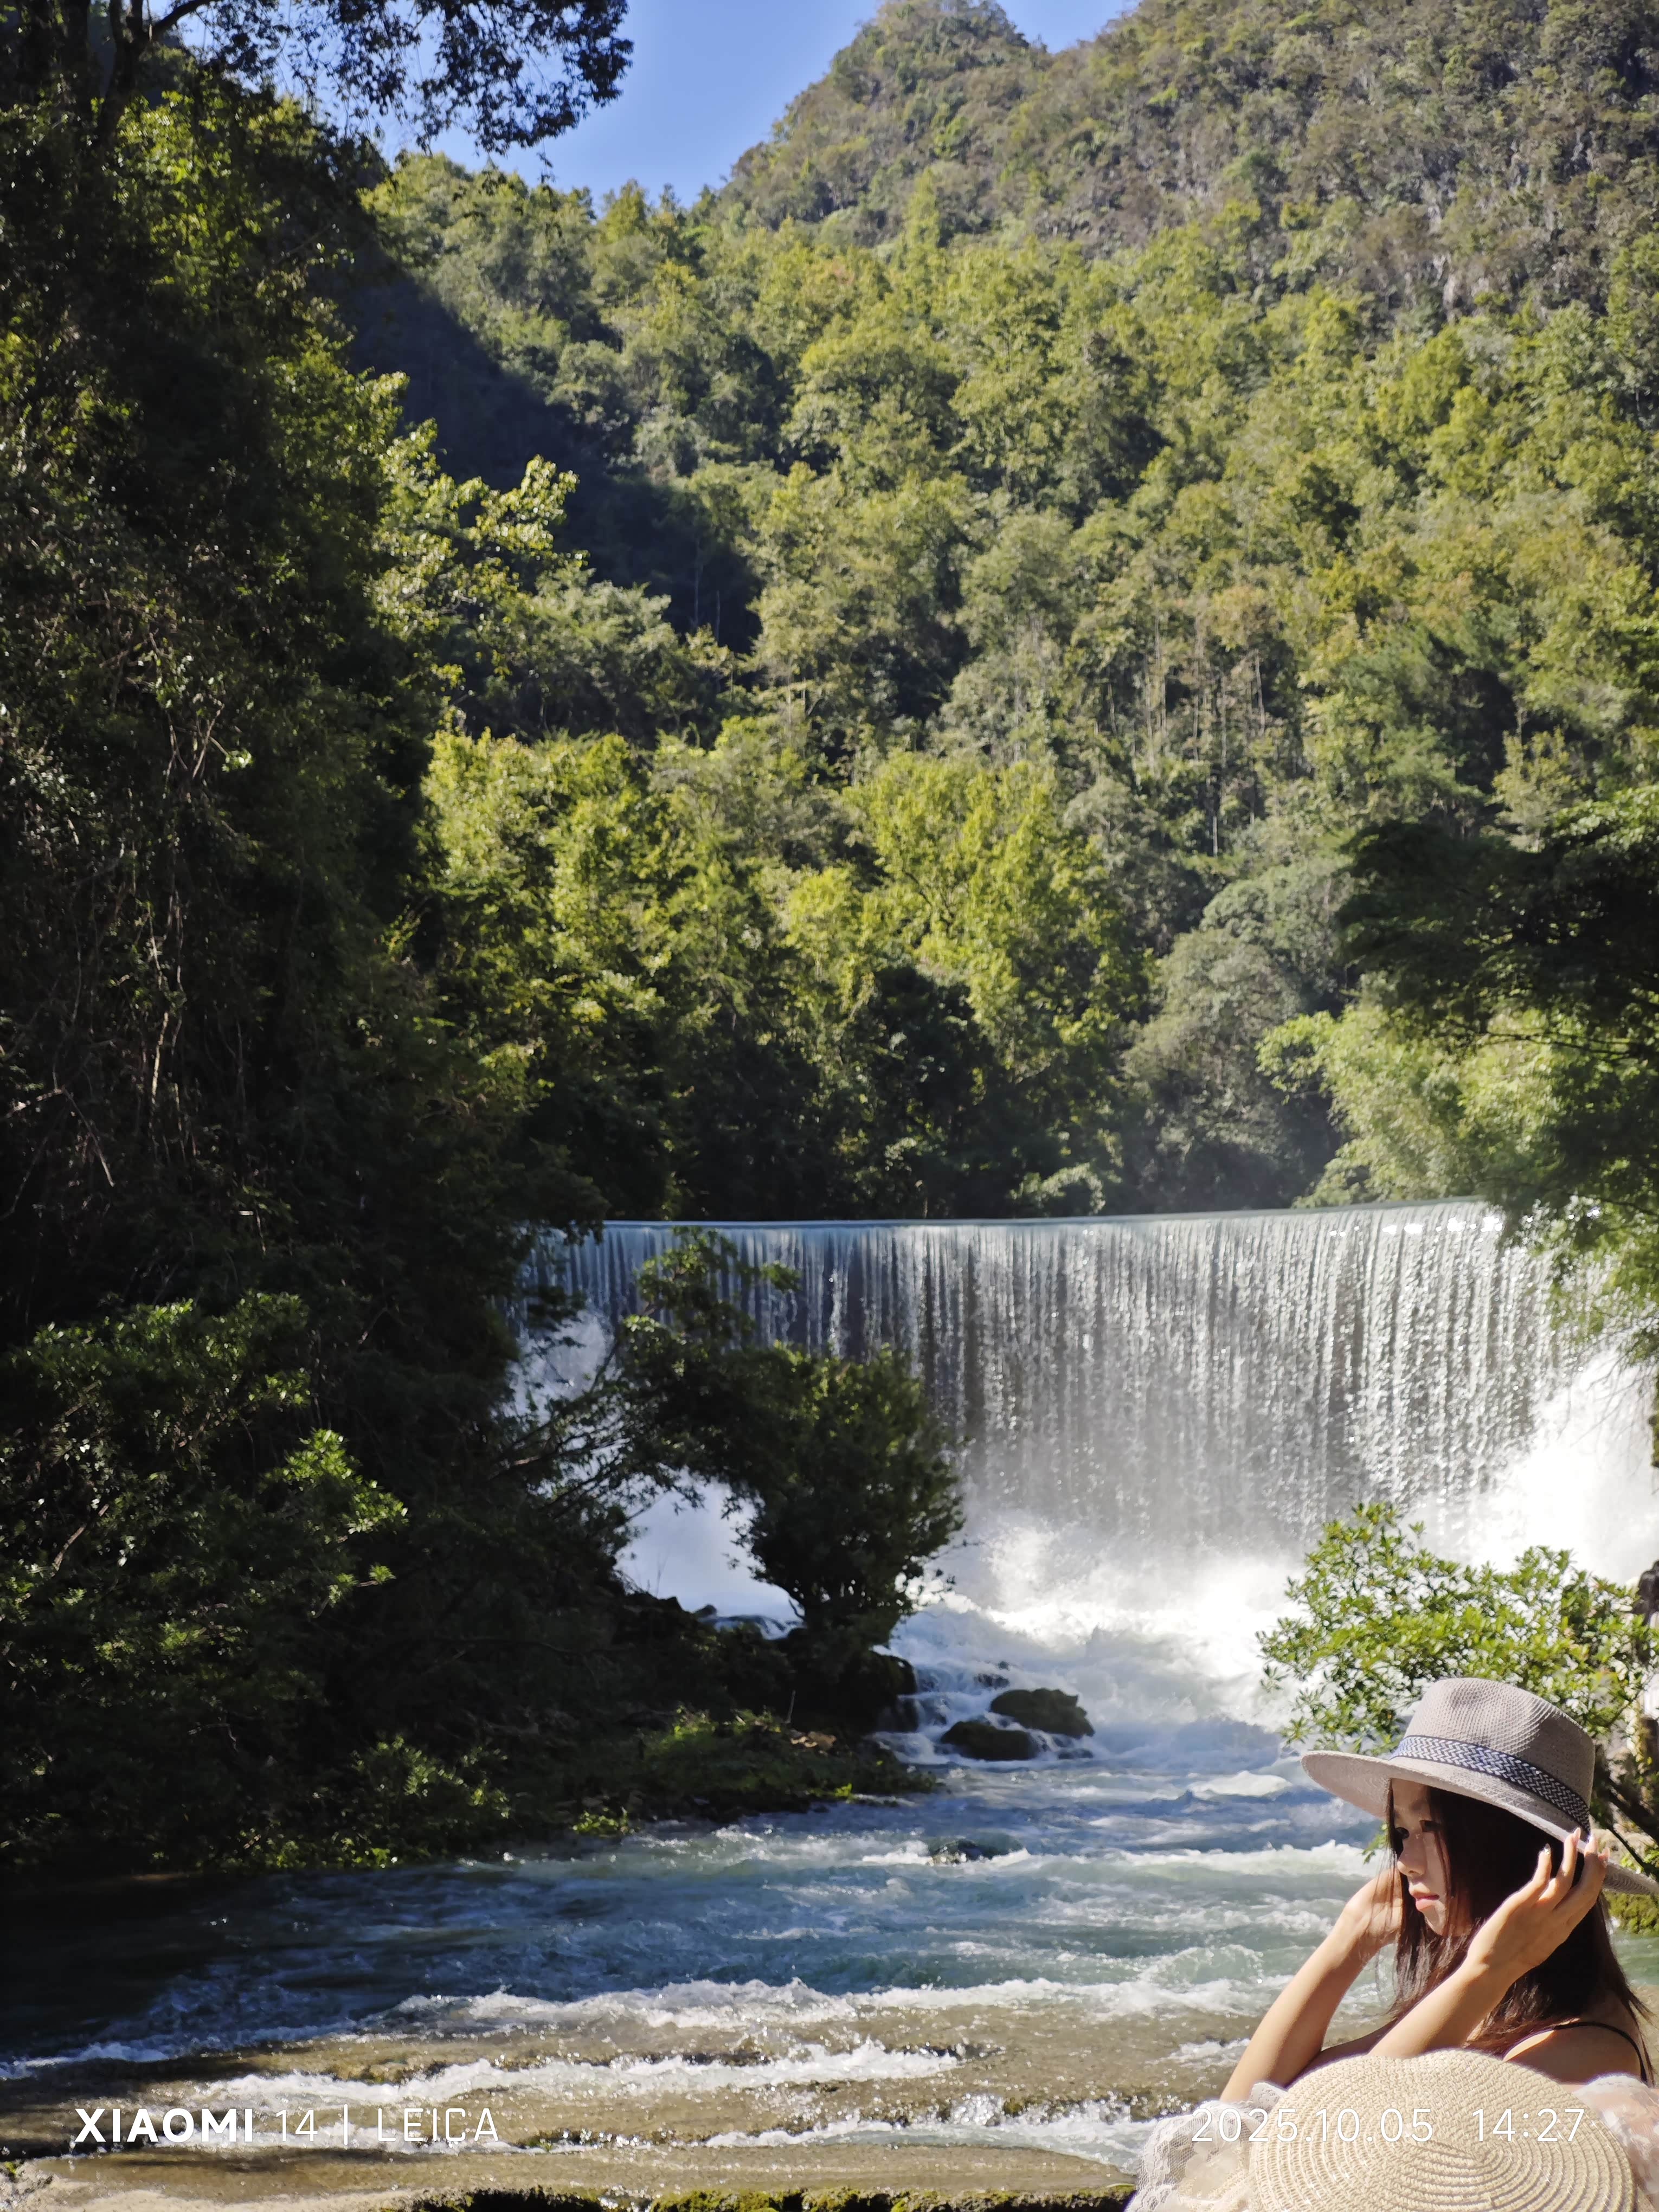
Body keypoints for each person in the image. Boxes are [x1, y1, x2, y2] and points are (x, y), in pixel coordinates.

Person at [1219, 1677, 1657, 2102]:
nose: (1405, 1862)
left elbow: (1333, 2129)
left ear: (1521, 1847)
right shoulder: (1491, 2004)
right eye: (1401, 1832)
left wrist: (1487, 1970)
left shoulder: (1579, 2054)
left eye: (1431, 1826)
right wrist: (1350, 1937)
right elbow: (1234, 2120)